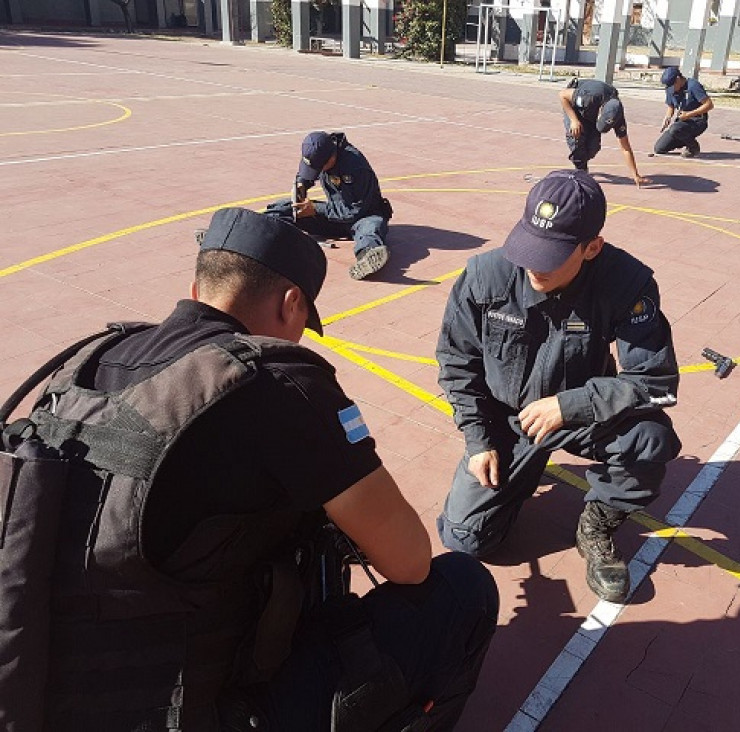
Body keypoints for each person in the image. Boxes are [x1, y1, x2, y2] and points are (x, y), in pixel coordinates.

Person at [0, 207, 497, 731]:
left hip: (45, 687)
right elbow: (411, 562)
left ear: (197, 287)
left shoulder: (89, 360)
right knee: (462, 590)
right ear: (291, 304)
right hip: (184, 706)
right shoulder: (277, 384)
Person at [435, 170, 682, 604]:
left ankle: (597, 523)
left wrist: (572, 405)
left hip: (580, 413)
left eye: (550, 256)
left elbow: (654, 381)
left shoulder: (627, 284)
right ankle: (517, 472)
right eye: (528, 247)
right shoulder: (484, 276)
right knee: (466, 540)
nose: (534, 266)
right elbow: (457, 363)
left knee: (650, 439)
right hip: (504, 416)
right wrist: (478, 441)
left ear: (592, 248)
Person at [268, 131, 394, 280]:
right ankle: (263, 229)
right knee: (285, 207)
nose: (318, 172)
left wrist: (315, 209)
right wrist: (301, 185)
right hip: (334, 215)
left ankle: (369, 255)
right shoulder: (319, 154)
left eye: (319, 168)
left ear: (332, 156)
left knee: (370, 228)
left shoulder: (355, 167)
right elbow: (305, 174)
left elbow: (354, 210)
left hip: (362, 216)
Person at [558, 78, 648, 186]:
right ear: (601, 110)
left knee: (593, 147)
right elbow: (562, 95)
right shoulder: (588, 97)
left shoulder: (618, 115)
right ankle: (581, 171)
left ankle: (583, 160)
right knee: (577, 139)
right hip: (575, 107)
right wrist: (574, 120)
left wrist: (635, 175)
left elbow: (625, 147)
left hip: (591, 114)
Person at [654, 67, 713, 158]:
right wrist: (668, 116)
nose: (671, 89)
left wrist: (689, 114)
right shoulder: (670, 89)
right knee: (659, 148)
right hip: (681, 122)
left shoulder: (693, 85)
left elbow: (709, 105)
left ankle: (693, 147)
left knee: (675, 129)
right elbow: (671, 105)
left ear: (678, 79)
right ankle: (682, 139)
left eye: (672, 86)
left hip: (697, 121)